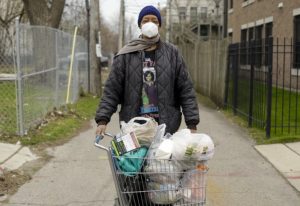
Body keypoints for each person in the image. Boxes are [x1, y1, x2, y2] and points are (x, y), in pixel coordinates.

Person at [95, 5, 199, 136]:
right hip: (134, 125)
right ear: (140, 25)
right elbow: (112, 90)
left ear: (159, 25)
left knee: (163, 156)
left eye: (154, 21)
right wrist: (102, 120)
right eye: (145, 20)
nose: (150, 24)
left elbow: (186, 89)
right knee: (137, 157)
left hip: (166, 126)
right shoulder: (126, 55)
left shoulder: (172, 54)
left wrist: (192, 123)